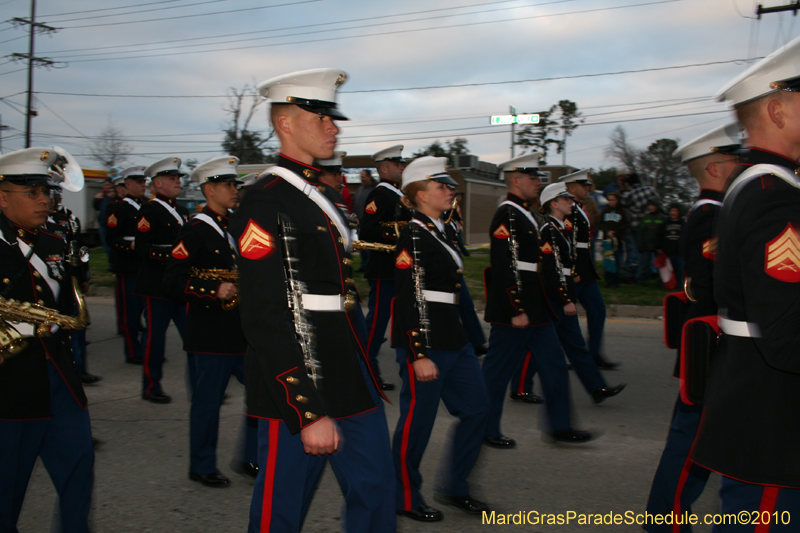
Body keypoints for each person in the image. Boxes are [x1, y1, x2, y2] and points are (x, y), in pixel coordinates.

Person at [230, 68, 394, 533]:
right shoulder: (264, 200)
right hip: (300, 377)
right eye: (320, 117)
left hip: (349, 366)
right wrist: (306, 408)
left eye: (333, 118)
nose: (333, 127)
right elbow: (264, 314)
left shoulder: (319, 194)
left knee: (376, 490)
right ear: (285, 123)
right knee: (282, 507)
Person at [690, 37, 800, 529]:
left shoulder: (762, 185)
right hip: (773, 411)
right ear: (777, 110)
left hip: (758, 397)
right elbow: (788, 327)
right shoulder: (772, 195)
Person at [644, 123, 742, 532]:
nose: (744, 166)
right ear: (716, 168)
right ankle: (663, 520)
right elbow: (713, 286)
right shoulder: (711, 216)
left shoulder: (718, 212)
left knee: (707, 438)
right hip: (713, 344)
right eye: (737, 160)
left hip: (716, 343)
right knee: (692, 440)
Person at [0, 147, 94, 532]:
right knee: (7, 488)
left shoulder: (55, 242)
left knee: (79, 471)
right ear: (2, 196)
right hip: (10, 385)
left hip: (59, 378)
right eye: (33, 192)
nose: (45, 200)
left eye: (48, 192)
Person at [391, 156, 489, 522]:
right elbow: (408, 296)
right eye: (441, 186)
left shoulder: (440, 230)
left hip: (454, 338)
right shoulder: (413, 235)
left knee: (478, 408)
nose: (450, 191)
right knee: (417, 423)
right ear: (419, 194)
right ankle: (401, 494)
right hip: (427, 342)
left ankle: (454, 486)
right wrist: (417, 353)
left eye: (449, 186)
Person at [481, 153, 590, 447]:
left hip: (535, 306)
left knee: (554, 364)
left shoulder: (524, 212)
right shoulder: (508, 213)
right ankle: (484, 427)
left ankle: (560, 426)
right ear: (516, 180)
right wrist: (516, 307)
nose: (538, 182)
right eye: (533, 177)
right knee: (496, 372)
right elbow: (505, 263)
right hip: (514, 309)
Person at [163, 155, 258, 488]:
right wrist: (213, 288)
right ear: (209, 189)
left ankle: (250, 457)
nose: (235, 190)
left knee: (264, 392)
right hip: (211, 332)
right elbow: (172, 280)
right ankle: (201, 465)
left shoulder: (235, 223)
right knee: (207, 404)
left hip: (243, 330)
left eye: (235, 184)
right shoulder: (195, 229)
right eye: (229, 185)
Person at [538, 183, 626, 405]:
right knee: (533, 347)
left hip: (562, 295)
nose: (571, 202)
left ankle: (597, 388)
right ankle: (518, 385)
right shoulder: (549, 230)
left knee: (575, 345)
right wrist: (565, 299)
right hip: (555, 299)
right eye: (566, 199)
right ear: (554, 204)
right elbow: (552, 270)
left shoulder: (558, 228)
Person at [134, 157, 191, 404]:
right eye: (171, 178)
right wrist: (175, 254)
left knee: (193, 336)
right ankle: (151, 386)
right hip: (157, 286)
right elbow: (142, 248)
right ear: (157, 184)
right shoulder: (149, 210)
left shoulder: (182, 211)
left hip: (180, 285)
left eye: (178, 178)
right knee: (154, 340)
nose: (177, 182)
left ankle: (200, 385)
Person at [359, 144, 411, 391]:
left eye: (402, 163)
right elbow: (367, 230)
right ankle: (364, 373)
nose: (402, 167)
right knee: (377, 325)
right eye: (398, 164)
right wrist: (399, 231)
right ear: (383, 168)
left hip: (399, 270)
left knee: (402, 323)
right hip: (384, 270)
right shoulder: (380, 194)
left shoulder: (398, 193)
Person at [559, 169, 619, 369]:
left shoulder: (580, 208)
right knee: (563, 320)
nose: (588, 189)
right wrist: (572, 272)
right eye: (583, 185)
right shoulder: (566, 212)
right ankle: (574, 358)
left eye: (588, 185)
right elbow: (565, 245)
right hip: (574, 274)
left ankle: (593, 355)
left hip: (585, 273)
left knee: (597, 311)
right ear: (571, 187)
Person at [107, 166, 148, 365]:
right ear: (128, 184)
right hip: (128, 267)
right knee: (130, 315)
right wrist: (130, 245)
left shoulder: (150, 206)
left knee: (151, 313)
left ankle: (149, 349)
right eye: (139, 182)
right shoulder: (118, 209)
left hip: (147, 265)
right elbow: (112, 238)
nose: (143, 185)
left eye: (144, 182)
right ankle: (133, 352)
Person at [620, 173, 659, 268]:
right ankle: (654, 268)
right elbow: (658, 201)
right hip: (652, 224)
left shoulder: (628, 194)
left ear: (628, 184)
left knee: (639, 249)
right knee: (653, 247)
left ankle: (640, 269)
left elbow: (622, 205)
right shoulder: (650, 189)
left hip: (637, 225)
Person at [598, 192, 629, 288]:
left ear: (617, 200)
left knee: (617, 261)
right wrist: (607, 232)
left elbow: (625, 225)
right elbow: (601, 223)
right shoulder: (605, 211)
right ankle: (609, 281)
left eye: (613, 200)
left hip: (617, 241)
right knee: (608, 261)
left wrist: (616, 232)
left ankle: (616, 281)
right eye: (609, 200)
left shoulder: (622, 212)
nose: (611, 202)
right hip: (607, 241)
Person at [353, 169, 377, 272]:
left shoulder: (374, 190)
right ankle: (364, 266)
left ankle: (369, 266)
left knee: (369, 246)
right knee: (362, 246)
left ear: (369, 177)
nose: (361, 179)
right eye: (361, 177)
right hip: (360, 223)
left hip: (370, 223)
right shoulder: (360, 189)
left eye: (363, 177)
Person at [636, 199, 664, 285]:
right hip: (646, 245)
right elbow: (641, 232)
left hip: (658, 245)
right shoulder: (645, 217)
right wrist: (640, 244)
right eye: (649, 205)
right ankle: (642, 279)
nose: (651, 207)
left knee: (660, 264)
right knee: (644, 263)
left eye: (653, 205)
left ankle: (661, 280)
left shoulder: (662, 217)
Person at [659, 203, 685, 287]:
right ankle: (665, 284)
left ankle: (679, 284)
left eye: (675, 211)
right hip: (667, 250)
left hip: (679, 250)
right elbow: (660, 235)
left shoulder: (683, 224)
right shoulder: (665, 223)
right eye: (671, 210)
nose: (673, 212)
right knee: (666, 269)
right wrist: (660, 247)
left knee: (679, 269)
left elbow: (686, 236)